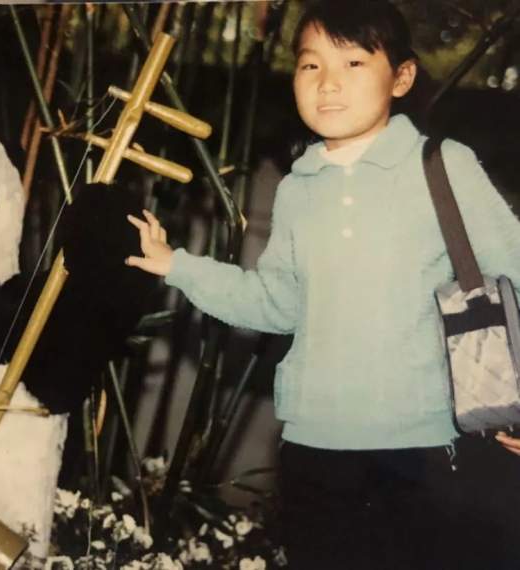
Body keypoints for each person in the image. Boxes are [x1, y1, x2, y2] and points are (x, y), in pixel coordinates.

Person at [126, 1, 520, 568]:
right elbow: (277, 302)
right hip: (314, 449)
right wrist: (177, 265)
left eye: (354, 63)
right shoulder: (299, 188)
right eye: (311, 65)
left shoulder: (442, 165)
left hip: (426, 449)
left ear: (401, 77)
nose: (328, 83)